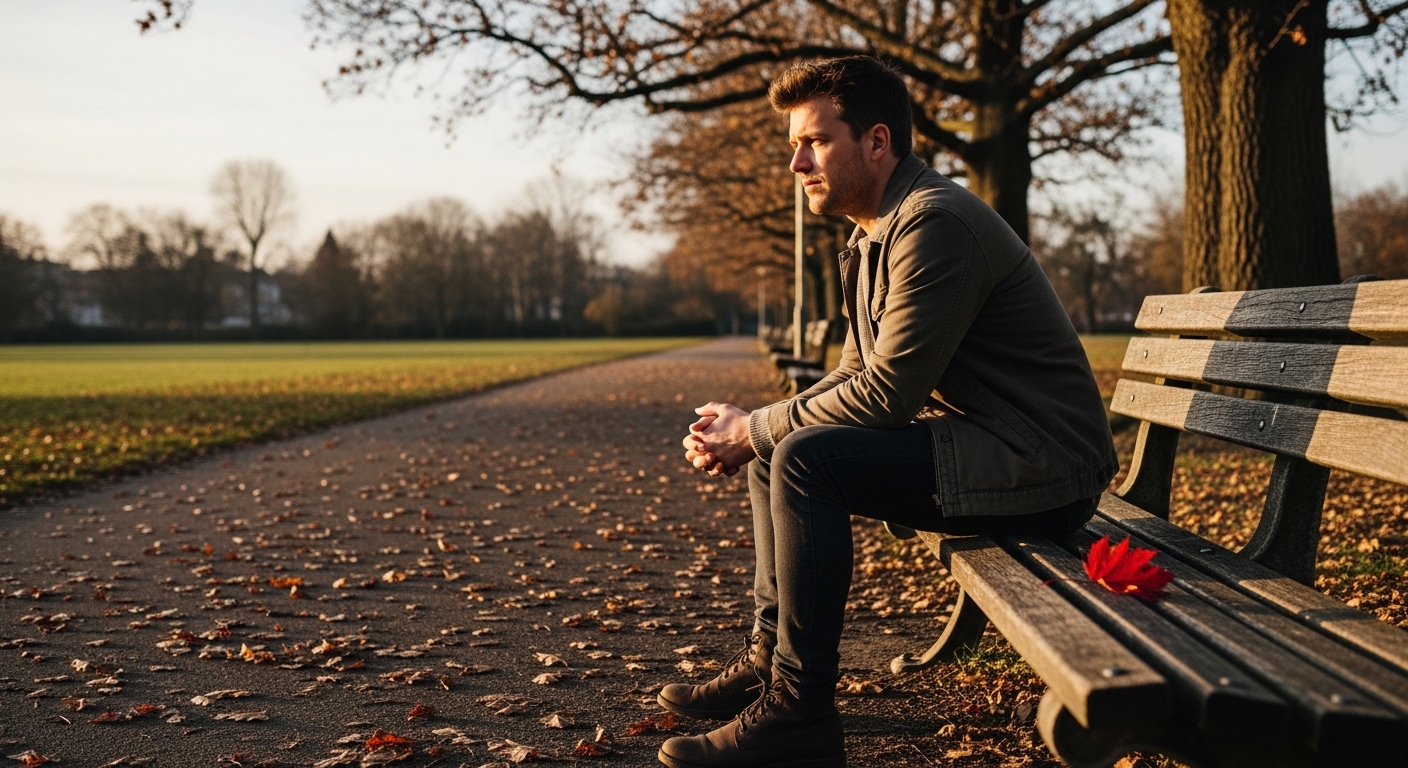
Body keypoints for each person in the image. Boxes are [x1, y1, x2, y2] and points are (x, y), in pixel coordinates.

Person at [656, 56, 1117, 768]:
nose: (794, 161)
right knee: (785, 443)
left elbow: (886, 395)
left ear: (877, 142)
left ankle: (799, 713)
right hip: (994, 445)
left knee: (803, 454)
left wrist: (755, 428)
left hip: (1044, 468)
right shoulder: (875, 233)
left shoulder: (934, 224)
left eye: (814, 141)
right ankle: (772, 659)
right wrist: (758, 426)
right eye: (795, 144)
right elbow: (852, 373)